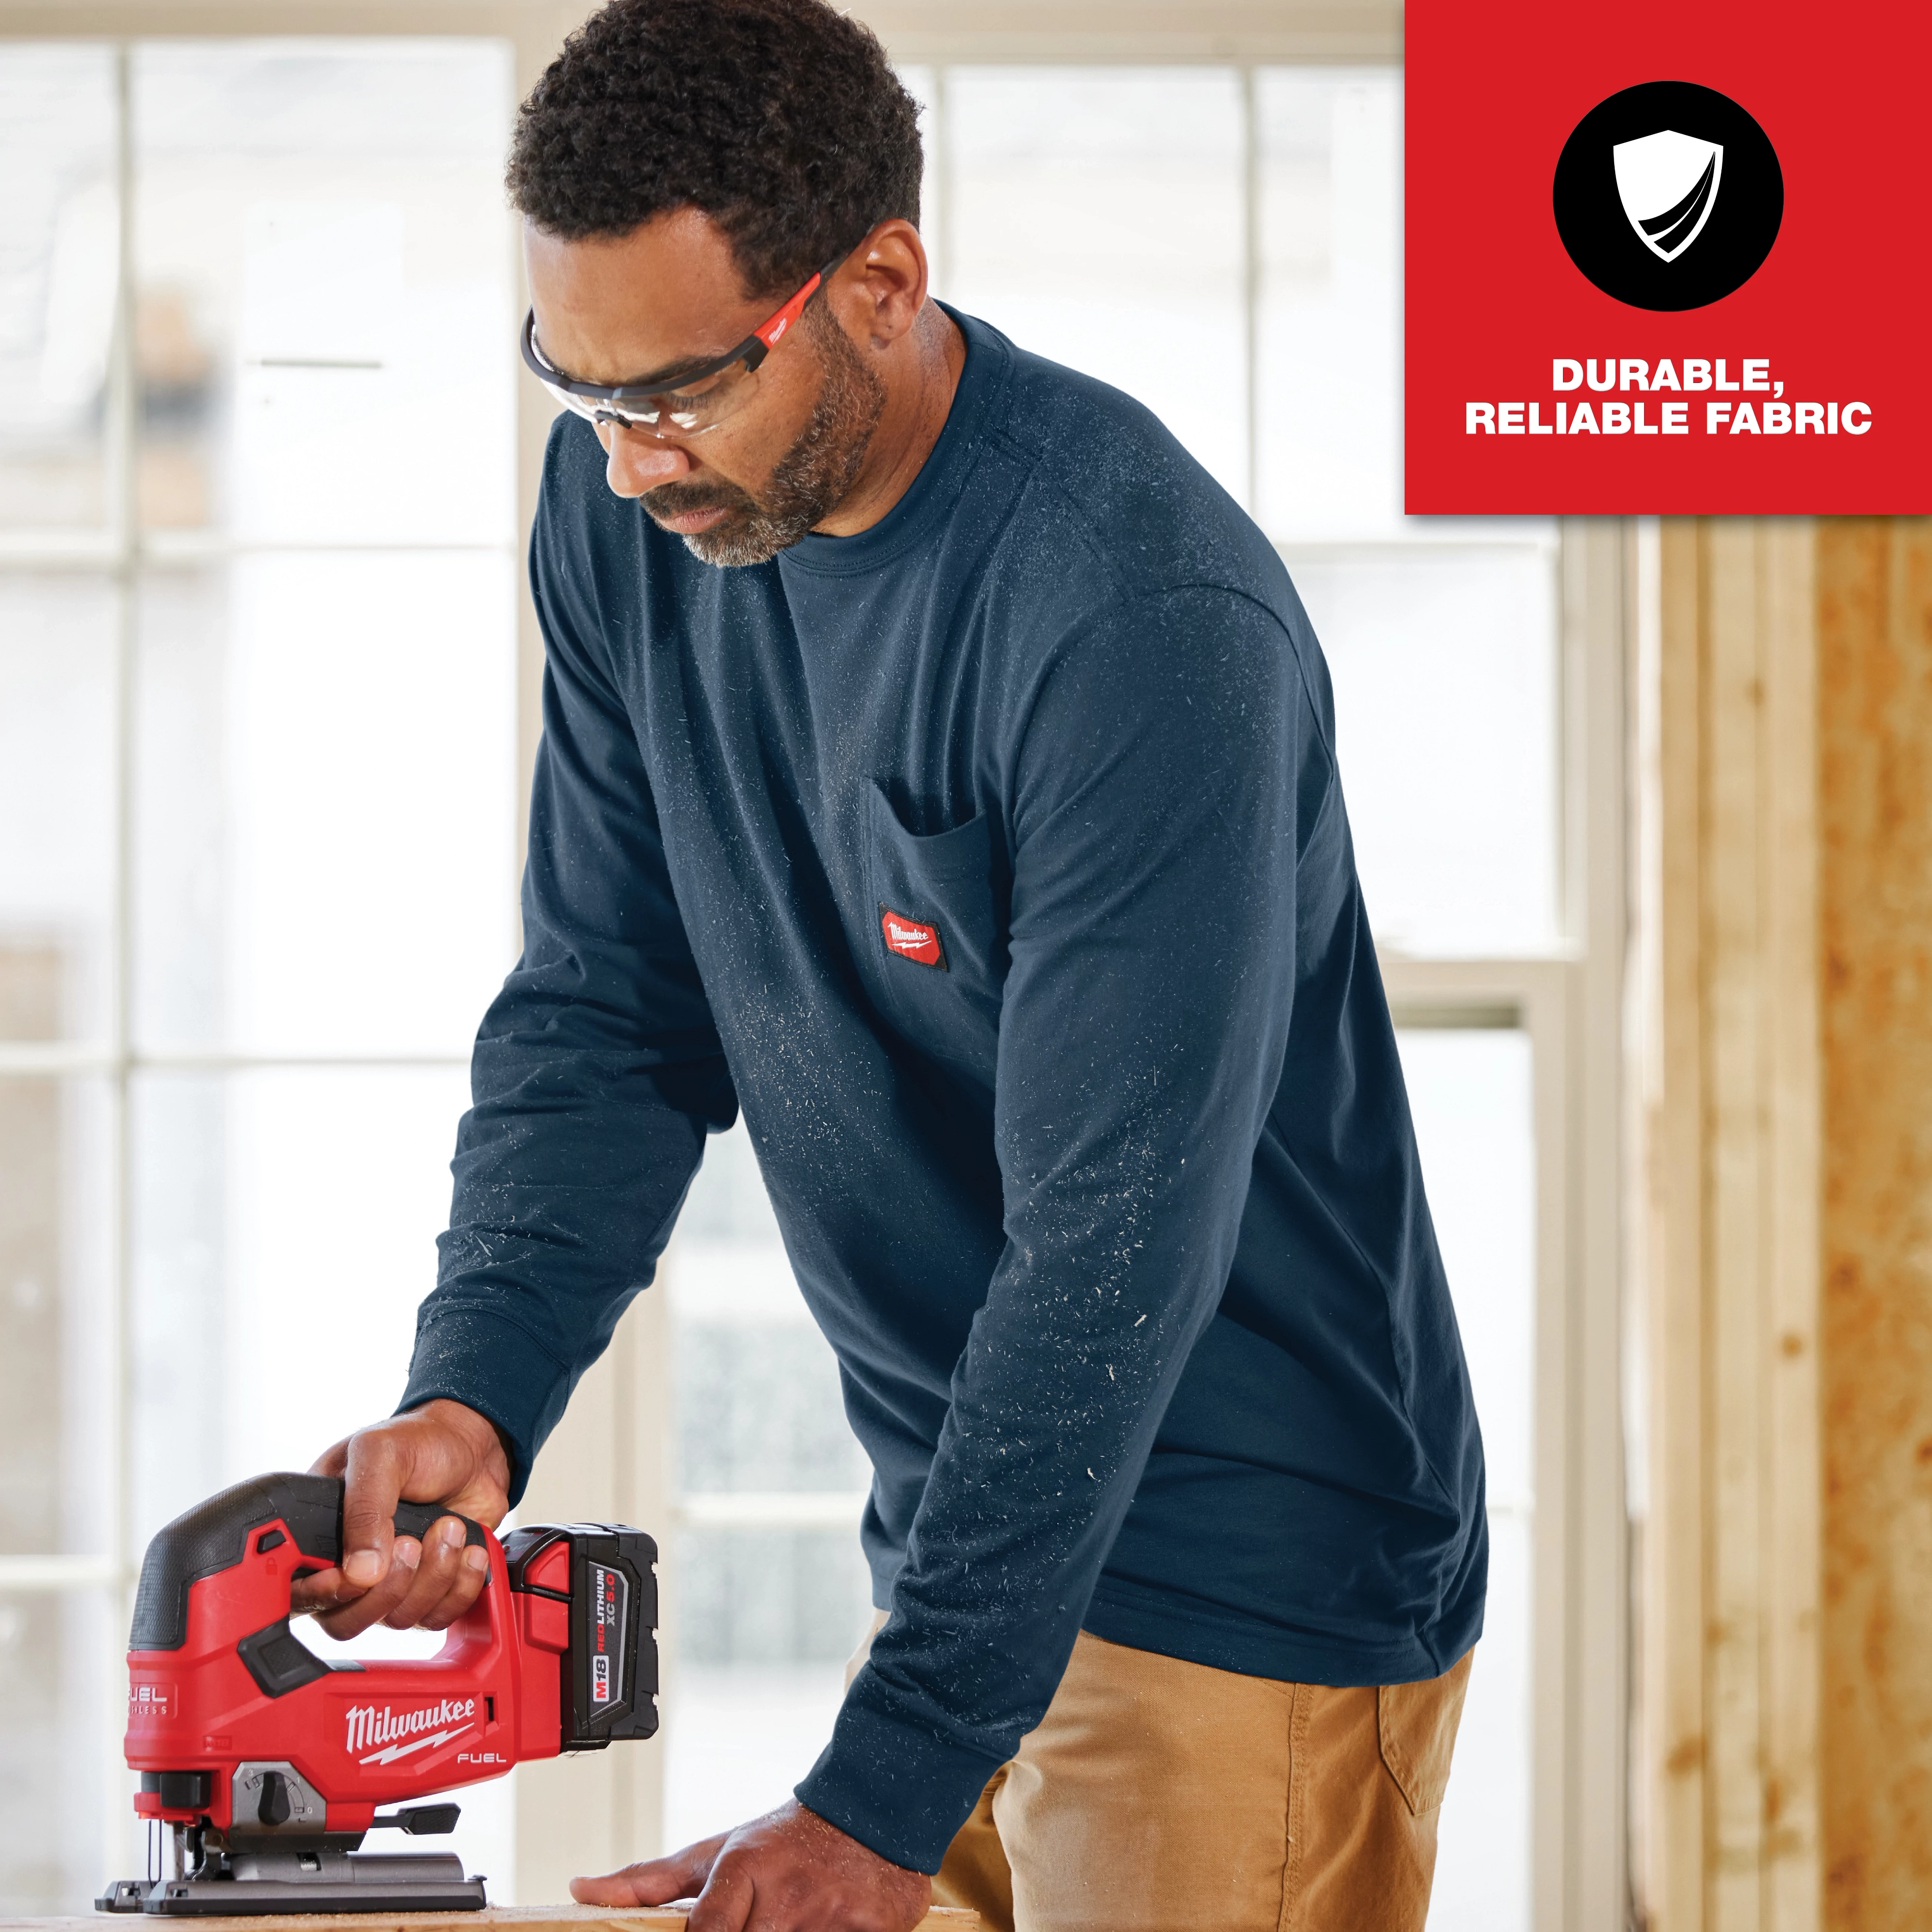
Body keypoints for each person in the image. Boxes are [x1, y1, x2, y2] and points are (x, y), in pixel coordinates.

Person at [292, 3, 1487, 1927]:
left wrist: (884, 1777)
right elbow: (607, 1009)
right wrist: (480, 1392)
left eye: (674, 388)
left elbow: (1110, 1244)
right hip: (962, 1546)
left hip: (1240, 1575)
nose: (622, 463)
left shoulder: (1132, 612)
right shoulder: (633, 528)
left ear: (876, 281)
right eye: (573, 388)